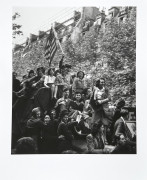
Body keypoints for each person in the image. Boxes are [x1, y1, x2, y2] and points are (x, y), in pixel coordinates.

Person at [90, 78, 112, 144]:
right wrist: (94, 105)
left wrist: (101, 101)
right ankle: (94, 139)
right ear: (98, 83)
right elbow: (91, 100)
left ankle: (105, 139)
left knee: (105, 124)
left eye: (103, 82)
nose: (102, 83)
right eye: (101, 82)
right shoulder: (95, 89)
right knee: (95, 124)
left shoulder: (106, 89)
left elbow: (109, 98)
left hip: (104, 108)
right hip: (97, 109)